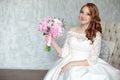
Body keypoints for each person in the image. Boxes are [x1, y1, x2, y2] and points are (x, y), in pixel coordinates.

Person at [44, 3, 120, 80]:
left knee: (76, 75)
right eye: (82, 12)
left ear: (93, 17)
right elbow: (64, 53)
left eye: (87, 14)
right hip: (68, 60)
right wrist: (52, 41)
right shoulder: (72, 30)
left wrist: (71, 64)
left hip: (86, 64)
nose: (83, 16)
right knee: (67, 73)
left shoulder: (96, 34)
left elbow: (93, 60)